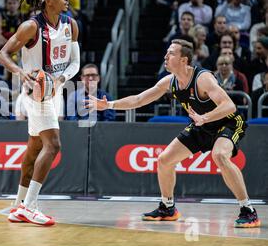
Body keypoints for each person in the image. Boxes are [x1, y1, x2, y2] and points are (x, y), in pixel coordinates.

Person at [86, 39, 260, 229]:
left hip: (228, 122)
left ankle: (248, 211)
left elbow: (229, 106)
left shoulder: (202, 78)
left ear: (184, 60)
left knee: (219, 155)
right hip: (202, 124)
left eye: (170, 53)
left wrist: (205, 117)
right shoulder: (170, 82)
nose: (165, 56)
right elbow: (139, 99)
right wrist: (110, 105)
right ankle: (167, 208)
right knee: (164, 160)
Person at [0, 0, 80, 226]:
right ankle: (31, 206)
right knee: (53, 145)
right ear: (48, 1)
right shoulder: (31, 27)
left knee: (34, 148)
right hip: (35, 92)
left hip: (54, 91)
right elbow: (3, 54)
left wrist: (61, 79)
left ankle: (18, 205)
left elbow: (75, 62)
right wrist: (19, 72)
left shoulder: (71, 25)